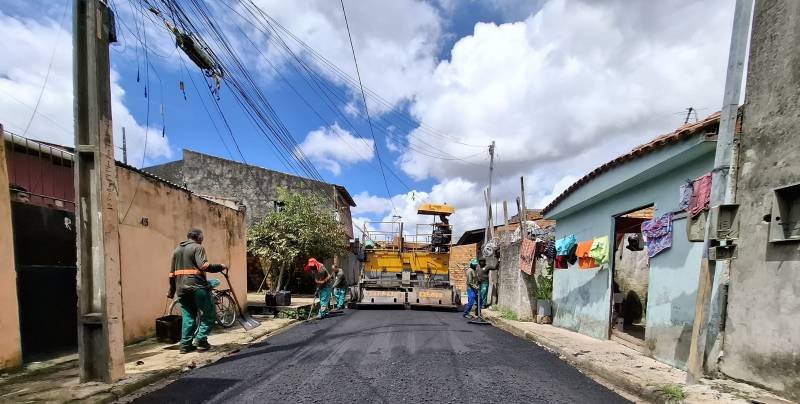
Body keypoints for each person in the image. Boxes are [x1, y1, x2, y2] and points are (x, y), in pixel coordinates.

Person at [167, 228, 227, 354]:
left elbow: (171, 274)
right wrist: (220, 267)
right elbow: (203, 266)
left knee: (188, 316)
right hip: (197, 287)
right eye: (202, 237)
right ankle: (200, 339)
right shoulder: (198, 247)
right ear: (199, 237)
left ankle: (185, 345)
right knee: (209, 313)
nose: (202, 239)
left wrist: (171, 291)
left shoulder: (176, 250)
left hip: (181, 289)